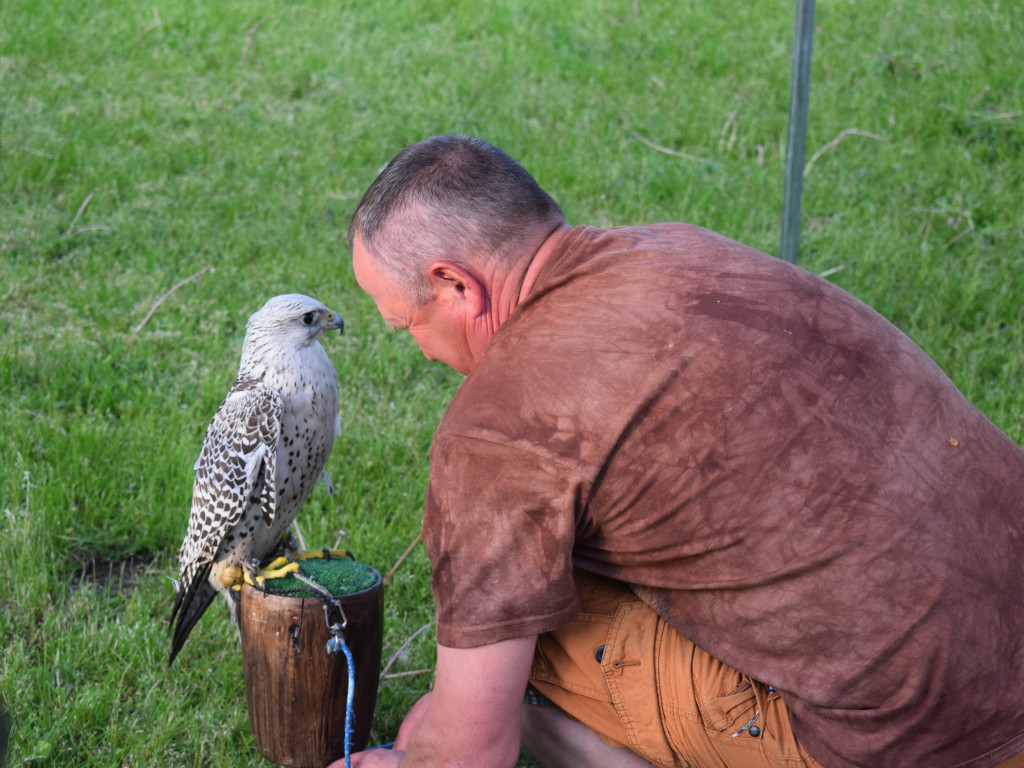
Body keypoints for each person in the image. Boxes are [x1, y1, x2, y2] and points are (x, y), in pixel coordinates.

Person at [341, 135, 1024, 768]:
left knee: (531, 626)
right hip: (1001, 642)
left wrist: (422, 749)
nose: (421, 351)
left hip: (922, 741)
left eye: (407, 323)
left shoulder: (496, 429)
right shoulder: (680, 246)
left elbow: (469, 755)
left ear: (458, 284)